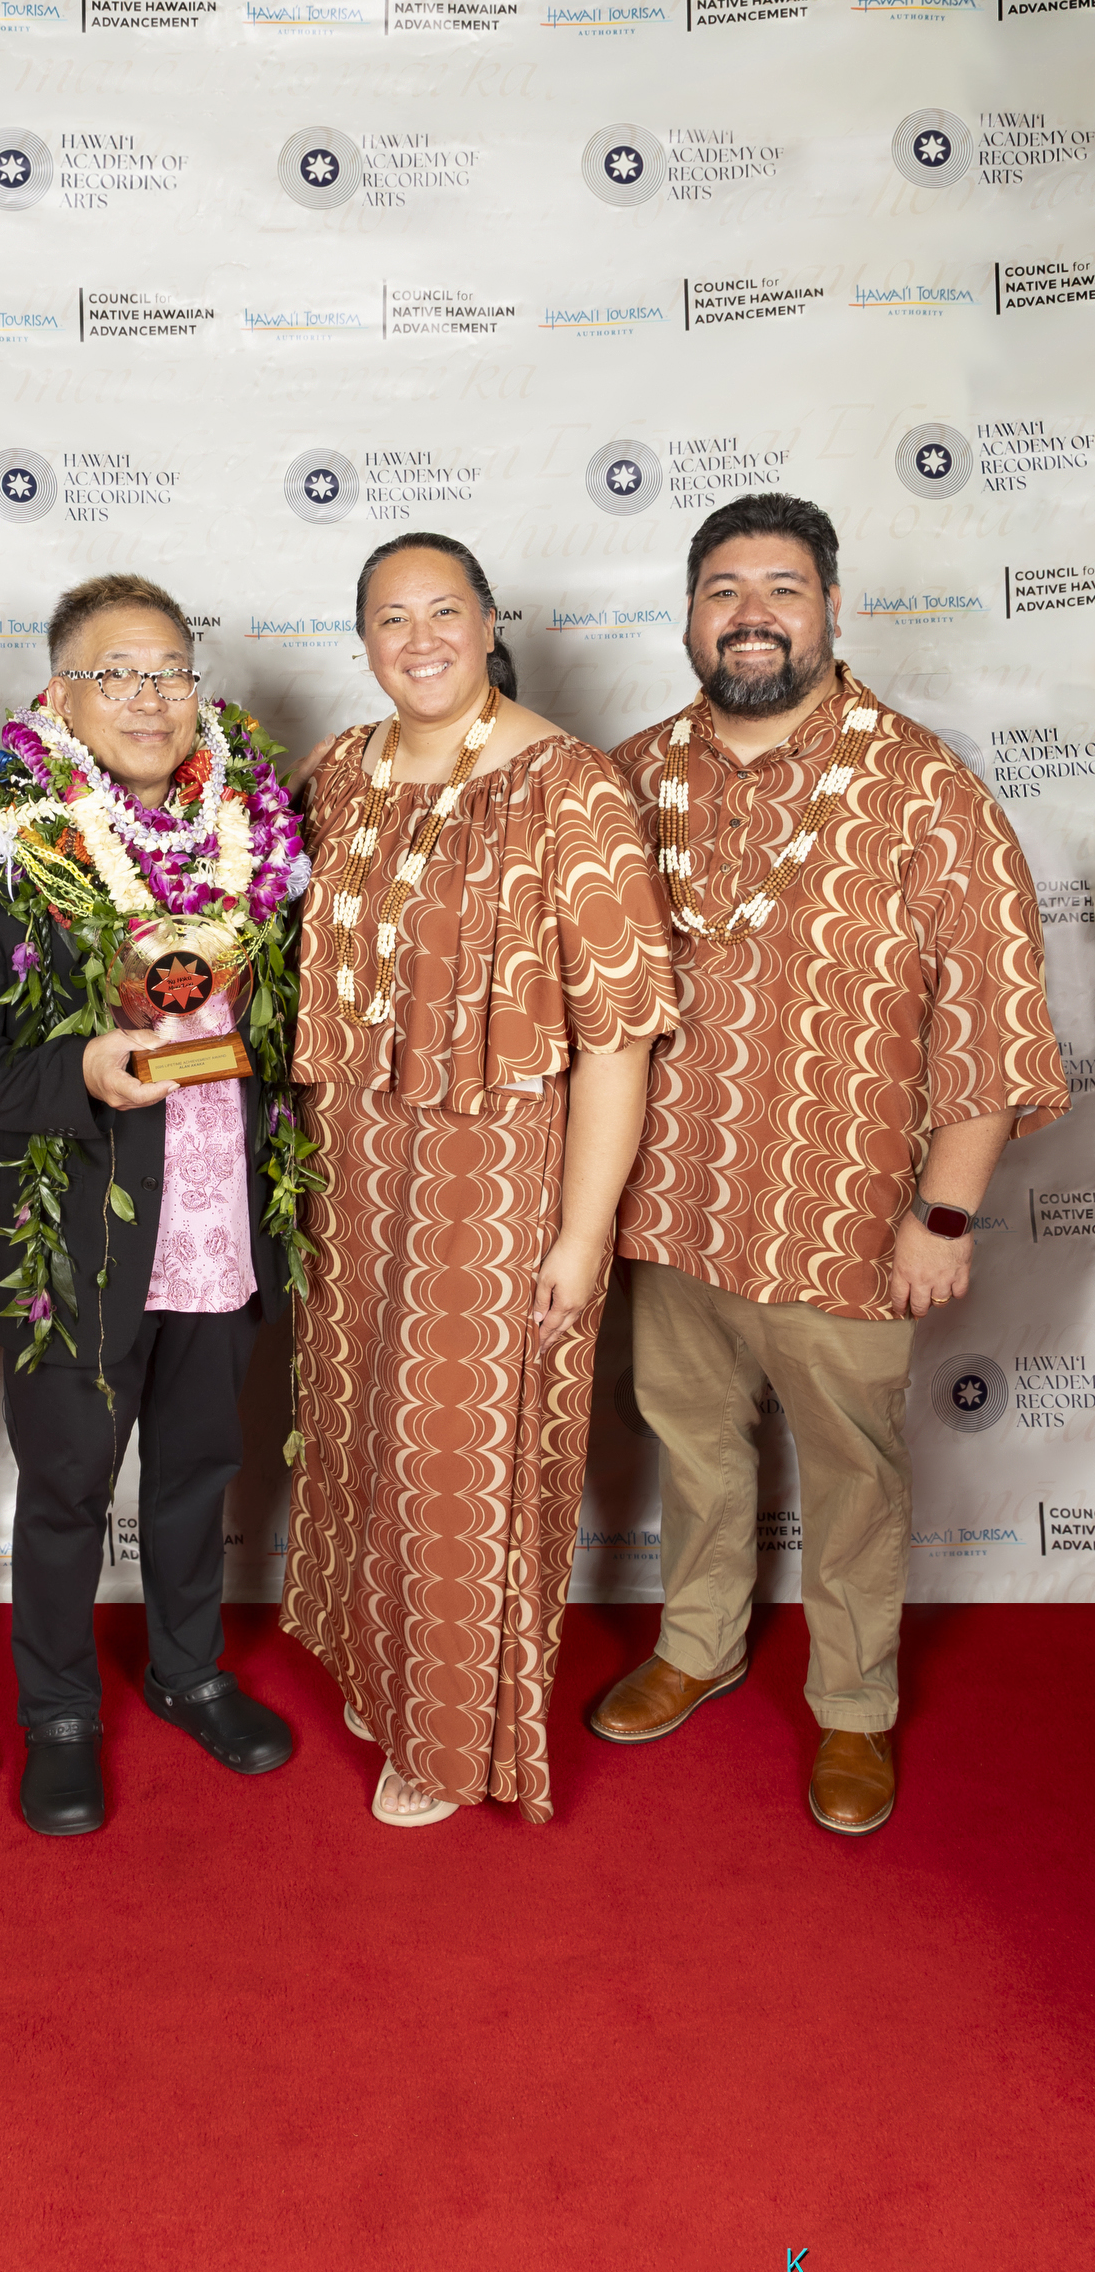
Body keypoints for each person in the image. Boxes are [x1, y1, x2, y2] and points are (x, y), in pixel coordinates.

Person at [595, 492, 1067, 1834]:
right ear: (691, 617)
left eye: (782, 589)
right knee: (693, 1444)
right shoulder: (629, 780)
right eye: (724, 590)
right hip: (672, 1204)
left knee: (854, 1476)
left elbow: (989, 1016)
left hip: (847, 1215)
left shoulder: (924, 789)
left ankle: (854, 1705)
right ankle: (698, 1643)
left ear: (832, 610)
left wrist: (944, 1214)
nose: (751, 615)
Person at [280, 532, 678, 1826]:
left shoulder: (572, 788)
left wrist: (582, 1229)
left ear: (490, 620)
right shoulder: (341, 772)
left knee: (460, 1452)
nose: (420, 640)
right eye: (390, 619)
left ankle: (447, 1741)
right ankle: (379, 1666)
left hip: (494, 1183)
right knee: (364, 1427)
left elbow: (618, 1032)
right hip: (354, 1168)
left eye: (443, 610)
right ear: (363, 642)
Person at [0, 575, 302, 1838]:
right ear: (59, 696)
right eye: (115, 674)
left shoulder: (256, 829)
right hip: (75, 1236)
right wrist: (73, 1071)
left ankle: (187, 1672)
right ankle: (61, 1711)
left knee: (200, 1467)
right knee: (68, 1485)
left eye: (169, 671)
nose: (148, 697)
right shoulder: (10, 847)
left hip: (220, 1221)